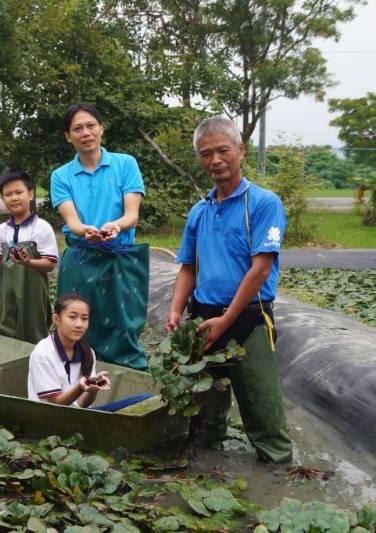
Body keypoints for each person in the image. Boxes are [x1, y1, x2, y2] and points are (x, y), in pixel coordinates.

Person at [165, 116, 292, 464]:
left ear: (241, 149)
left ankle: (275, 476)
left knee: (263, 413)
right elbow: (188, 267)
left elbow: (259, 269)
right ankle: (210, 468)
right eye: (206, 154)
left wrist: (227, 320)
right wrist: (176, 310)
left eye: (223, 150)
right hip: (203, 320)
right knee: (205, 416)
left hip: (248, 320)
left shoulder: (263, 204)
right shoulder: (200, 211)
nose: (215, 160)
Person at [50, 103, 149, 370]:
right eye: (77, 128)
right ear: (68, 136)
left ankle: (131, 387)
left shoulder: (125, 164)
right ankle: (76, 386)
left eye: (91, 126)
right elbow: (72, 221)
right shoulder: (61, 176)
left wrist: (115, 226)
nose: (86, 133)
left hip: (120, 260)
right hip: (80, 261)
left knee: (123, 325)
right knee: (76, 325)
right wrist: (87, 231)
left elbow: (131, 215)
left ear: (101, 129)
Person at [28, 293, 152, 411]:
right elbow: (56, 404)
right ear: (56, 319)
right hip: (52, 418)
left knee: (147, 399)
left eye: (84, 318)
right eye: (72, 317)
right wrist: (80, 387)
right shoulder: (43, 353)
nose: (79, 324)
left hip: (81, 416)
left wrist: (92, 389)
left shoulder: (87, 352)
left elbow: (82, 404)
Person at [0, 169, 58, 344]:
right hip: (5, 292)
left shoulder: (41, 227)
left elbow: (50, 264)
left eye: (19, 192)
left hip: (32, 292)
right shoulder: (2, 230)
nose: (14, 198)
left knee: (33, 333)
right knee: (0, 331)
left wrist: (29, 262)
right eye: (8, 194)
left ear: (30, 194)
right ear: (2, 199)